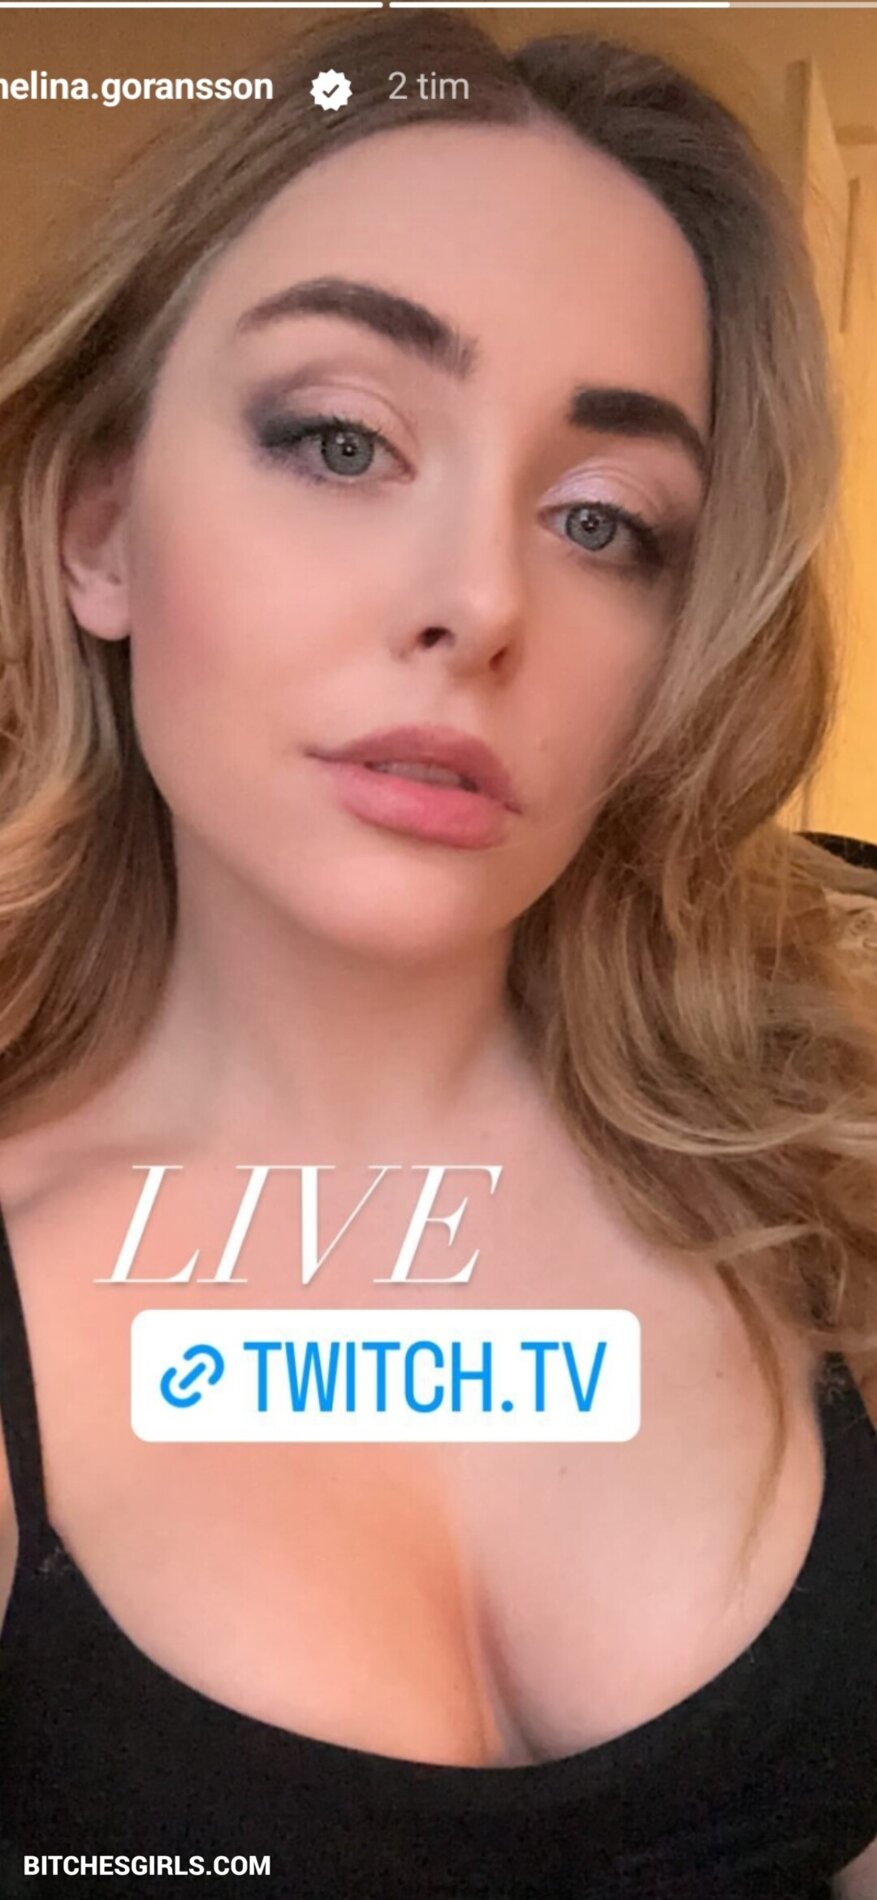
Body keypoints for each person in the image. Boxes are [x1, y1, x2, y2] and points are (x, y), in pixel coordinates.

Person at [0, 10, 875, 1897]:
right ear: (100, 529)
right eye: (343, 439)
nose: (481, 601)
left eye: (602, 521)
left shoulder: (823, 1198)